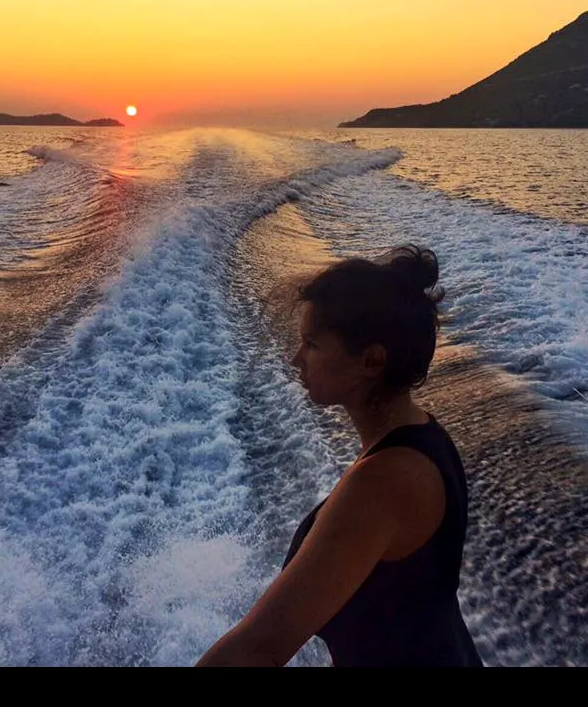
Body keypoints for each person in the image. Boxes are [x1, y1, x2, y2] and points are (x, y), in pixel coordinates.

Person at [197, 244, 482, 667]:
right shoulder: (425, 437)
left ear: (371, 360)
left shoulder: (385, 482)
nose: (296, 359)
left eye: (311, 344)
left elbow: (260, 648)